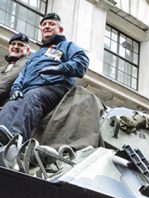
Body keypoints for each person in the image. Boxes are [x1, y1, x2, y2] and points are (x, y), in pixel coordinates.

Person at [0, 12, 89, 145]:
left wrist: (61, 68)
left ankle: (14, 143)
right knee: (10, 105)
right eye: (44, 24)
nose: (47, 26)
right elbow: (22, 75)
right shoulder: (37, 54)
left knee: (32, 97)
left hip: (54, 88)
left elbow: (81, 62)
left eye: (51, 24)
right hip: (29, 90)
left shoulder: (67, 46)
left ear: (60, 29)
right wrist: (16, 89)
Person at [0, 32, 30, 107]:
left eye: (21, 45)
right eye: (13, 44)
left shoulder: (26, 62)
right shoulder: (4, 67)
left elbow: (5, 85)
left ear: (28, 50)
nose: (16, 47)